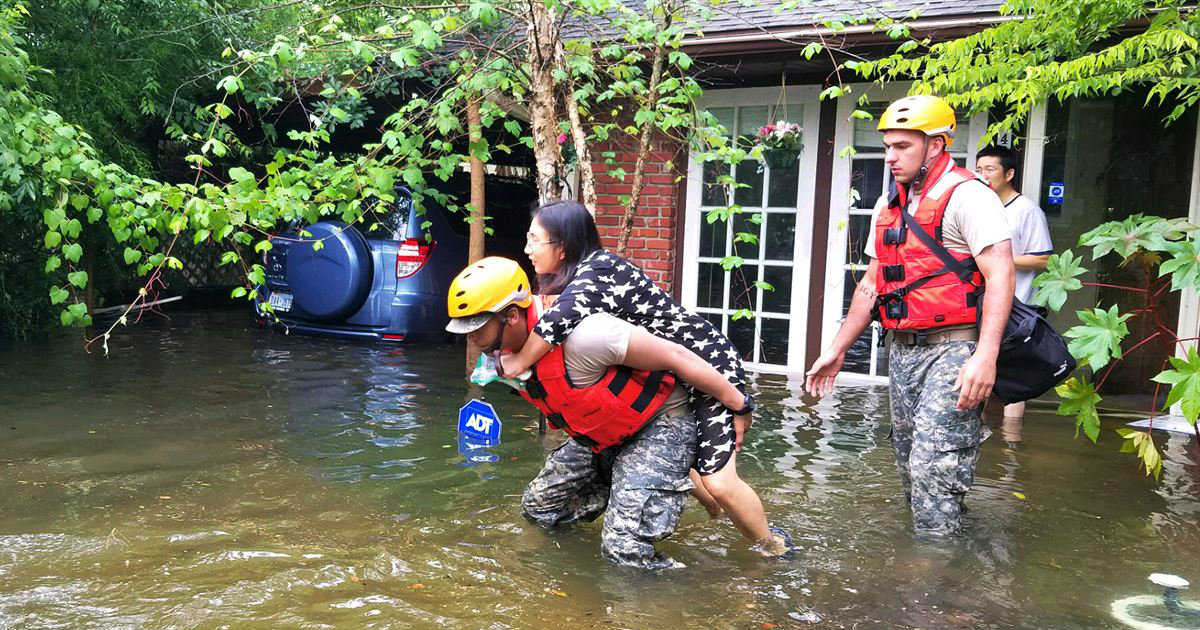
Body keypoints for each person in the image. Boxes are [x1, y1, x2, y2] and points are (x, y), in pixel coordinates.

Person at [445, 257, 790, 569]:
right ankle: (574, 566)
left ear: (513, 315)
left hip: (661, 425)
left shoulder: (586, 336)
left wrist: (740, 405)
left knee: (623, 548)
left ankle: (700, 584)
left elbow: (678, 357)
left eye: (478, 329)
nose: (473, 340)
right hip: (605, 438)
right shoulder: (506, 358)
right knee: (540, 509)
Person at [805, 95, 1016, 537]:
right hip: (902, 351)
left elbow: (1001, 276)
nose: (890, 156)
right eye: (887, 146)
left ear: (936, 145)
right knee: (909, 467)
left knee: (935, 466)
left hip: (955, 349)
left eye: (902, 146)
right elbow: (871, 285)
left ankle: (936, 580)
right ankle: (941, 558)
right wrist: (837, 350)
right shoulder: (889, 208)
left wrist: (986, 357)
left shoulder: (969, 197)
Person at [975, 145, 1054, 419]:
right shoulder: (979, 208)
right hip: (981, 303)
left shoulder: (1027, 211)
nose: (983, 175)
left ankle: (1011, 445)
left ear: (1009, 173)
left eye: (990, 169)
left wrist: (998, 259)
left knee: (1012, 373)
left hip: (1018, 305)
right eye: (979, 169)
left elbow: (1042, 259)